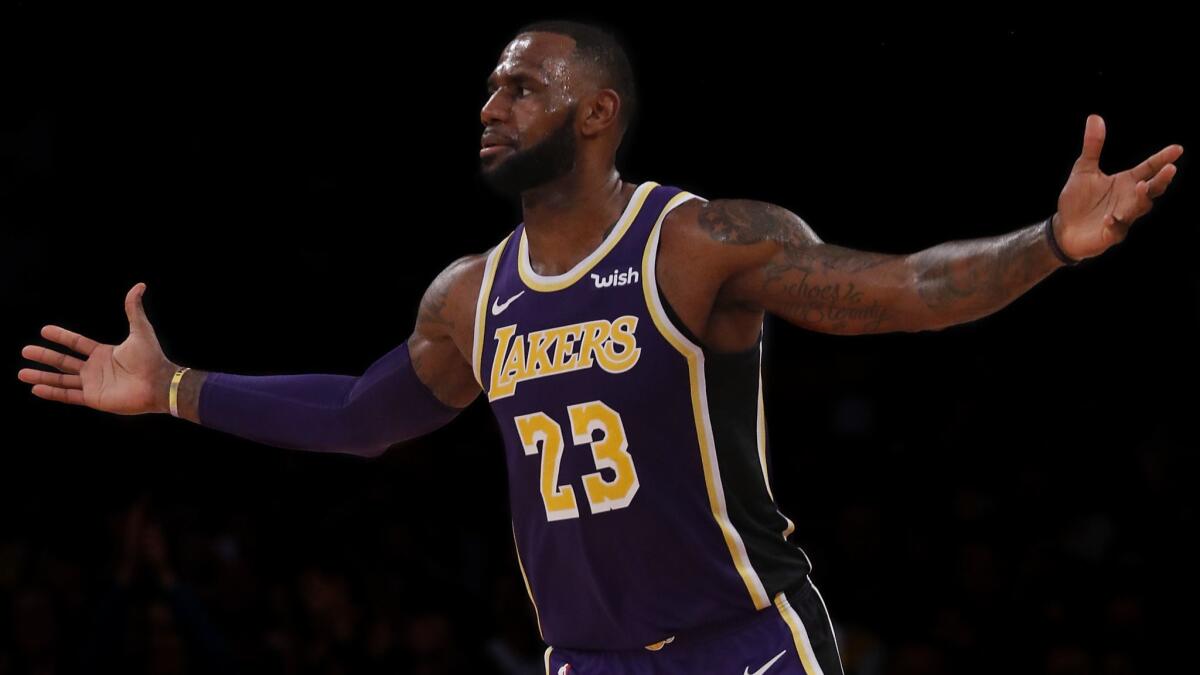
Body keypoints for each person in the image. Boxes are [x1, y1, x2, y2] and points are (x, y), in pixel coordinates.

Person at [17, 19, 1182, 675]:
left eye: (521, 86)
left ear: (595, 112)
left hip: (744, 648)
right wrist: (172, 388)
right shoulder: (471, 298)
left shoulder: (696, 243)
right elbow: (362, 418)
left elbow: (911, 289)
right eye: (487, 88)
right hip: (585, 662)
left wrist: (1052, 243)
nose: (491, 104)